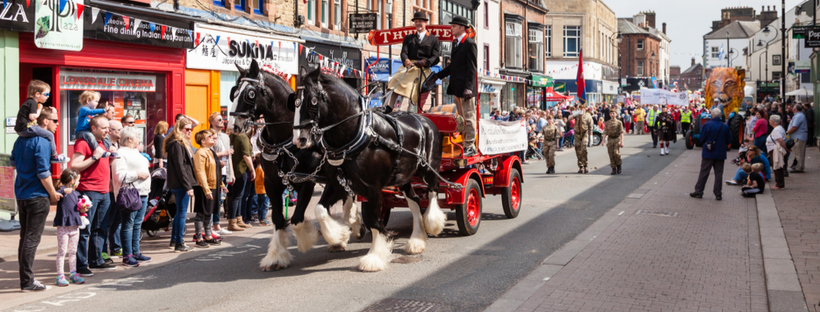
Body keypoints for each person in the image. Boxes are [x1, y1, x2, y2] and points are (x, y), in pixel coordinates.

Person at [12, 107, 63, 291]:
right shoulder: (41, 141)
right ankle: (27, 282)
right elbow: (43, 173)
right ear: (44, 122)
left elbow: (12, 163)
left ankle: (25, 278)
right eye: (55, 121)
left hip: (22, 194)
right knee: (32, 239)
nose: (57, 124)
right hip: (37, 196)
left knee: (25, 238)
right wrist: (52, 193)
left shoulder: (20, 140)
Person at [70, 115, 116, 275]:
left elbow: (102, 165)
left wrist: (110, 157)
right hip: (88, 191)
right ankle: (81, 265)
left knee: (101, 228)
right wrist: (95, 156)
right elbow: (74, 166)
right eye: (104, 128)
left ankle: (96, 260)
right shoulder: (83, 143)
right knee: (85, 230)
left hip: (104, 192)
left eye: (108, 128)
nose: (107, 131)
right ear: (93, 128)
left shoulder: (104, 143)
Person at [434, 16, 478, 157]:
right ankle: (466, 142)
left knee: (469, 116)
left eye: (454, 26)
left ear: (462, 28)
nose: (451, 28)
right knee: (462, 118)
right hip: (457, 88)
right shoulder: (456, 43)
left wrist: (469, 88)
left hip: (466, 89)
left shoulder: (469, 43)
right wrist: (437, 75)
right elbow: (453, 67)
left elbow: (472, 68)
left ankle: (470, 145)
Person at [383, 11, 441, 112]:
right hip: (408, 67)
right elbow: (404, 52)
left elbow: (436, 58)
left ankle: (402, 110)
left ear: (425, 23)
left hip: (423, 69)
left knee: (410, 85)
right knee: (394, 80)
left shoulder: (433, 40)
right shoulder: (408, 38)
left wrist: (425, 62)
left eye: (421, 21)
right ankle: (388, 107)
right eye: (416, 21)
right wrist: (406, 60)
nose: (418, 23)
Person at [112, 126, 152, 266]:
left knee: (137, 224)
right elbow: (120, 176)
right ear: (129, 139)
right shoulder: (120, 154)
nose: (139, 139)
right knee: (128, 225)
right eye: (137, 136)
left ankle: (136, 252)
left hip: (142, 192)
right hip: (129, 194)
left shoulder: (135, 152)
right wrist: (138, 175)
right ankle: (127, 255)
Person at [15, 80, 68, 164]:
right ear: (37, 94)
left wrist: (54, 111)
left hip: (21, 129)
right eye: (46, 94)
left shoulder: (29, 102)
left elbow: (44, 113)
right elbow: (33, 116)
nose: (48, 97)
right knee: (49, 135)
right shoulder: (33, 103)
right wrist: (39, 109)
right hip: (26, 128)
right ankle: (54, 156)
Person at [165, 118, 196, 252]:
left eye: (191, 129)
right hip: (181, 183)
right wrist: (187, 186)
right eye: (187, 129)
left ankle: (175, 240)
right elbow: (180, 166)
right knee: (182, 213)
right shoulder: (177, 144)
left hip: (180, 182)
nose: (189, 132)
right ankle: (179, 242)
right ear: (179, 129)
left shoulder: (180, 142)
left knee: (179, 213)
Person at [192, 129, 225, 248]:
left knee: (209, 213)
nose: (212, 138)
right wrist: (206, 189)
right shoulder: (200, 153)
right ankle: (199, 238)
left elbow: (216, 170)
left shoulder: (211, 151)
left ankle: (208, 235)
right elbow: (200, 172)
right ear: (203, 141)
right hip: (203, 186)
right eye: (209, 136)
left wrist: (221, 184)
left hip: (213, 185)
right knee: (201, 212)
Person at [53, 169, 86, 286]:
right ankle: (60, 275)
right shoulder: (61, 192)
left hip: (75, 227)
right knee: (62, 251)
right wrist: (63, 190)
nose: (78, 183)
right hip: (63, 227)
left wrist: (84, 208)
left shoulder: (77, 194)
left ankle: (73, 273)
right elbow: (55, 194)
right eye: (78, 180)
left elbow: (81, 208)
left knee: (73, 251)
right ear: (72, 181)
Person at [691, 108, 733, 200]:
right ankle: (718, 193)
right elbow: (729, 140)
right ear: (720, 116)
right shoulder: (725, 126)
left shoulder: (707, 125)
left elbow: (701, 139)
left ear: (712, 115)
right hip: (720, 153)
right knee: (718, 173)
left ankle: (699, 191)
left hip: (708, 153)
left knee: (704, 172)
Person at [207, 113, 234, 235]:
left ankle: (217, 225)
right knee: (214, 200)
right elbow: (208, 154)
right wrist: (223, 153)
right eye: (219, 119)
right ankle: (210, 227)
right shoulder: (208, 135)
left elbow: (229, 157)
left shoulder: (226, 137)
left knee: (220, 200)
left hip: (224, 172)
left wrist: (231, 173)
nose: (222, 121)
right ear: (212, 122)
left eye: (223, 119)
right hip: (214, 172)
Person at [74, 91, 117, 159]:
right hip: (82, 132)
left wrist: (103, 116)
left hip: (89, 131)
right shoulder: (83, 109)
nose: (97, 103)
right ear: (88, 101)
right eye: (96, 101)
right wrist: (103, 110)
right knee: (90, 136)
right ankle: (98, 150)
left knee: (106, 135)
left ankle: (110, 148)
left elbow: (96, 120)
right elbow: (91, 112)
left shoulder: (93, 112)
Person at [229, 126, 254, 231]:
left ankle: (238, 220)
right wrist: (252, 169)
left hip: (236, 170)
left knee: (238, 196)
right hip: (240, 170)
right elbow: (246, 156)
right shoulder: (243, 137)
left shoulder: (233, 136)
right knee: (237, 196)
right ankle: (233, 222)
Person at [767, 115, 790, 189]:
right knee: (777, 165)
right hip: (774, 149)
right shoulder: (780, 128)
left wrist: (786, 148)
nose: (769, 121)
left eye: (770, 120)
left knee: (777, 165)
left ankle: (779, 184)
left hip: (775, 150)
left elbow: (780, 140)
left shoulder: (776, 130)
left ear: (772, 121)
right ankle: (779, 183)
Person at [786, 103, 808, 173]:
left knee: (799, 153)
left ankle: (799, 168)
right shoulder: (799, 115)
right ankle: (799, 166)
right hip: (798, 136)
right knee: (799, 153)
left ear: (794, 109)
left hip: (799, 137)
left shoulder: (799, 116)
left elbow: (794, 127)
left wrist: (787, 132)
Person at [573, 105, 594, 173]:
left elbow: (590, 128)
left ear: (585, 109)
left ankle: (585, 165)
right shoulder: (577, 115)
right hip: (577, 135)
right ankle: (581, 166)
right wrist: (577, 113)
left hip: (584, 134)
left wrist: (591, 139)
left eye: (582, 108)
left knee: (584, 149)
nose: (581, 109)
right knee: (578, 150)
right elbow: (569, 118)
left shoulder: (588, 116)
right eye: (580, 108)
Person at [604, 110, 625, 175]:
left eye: (613, 113)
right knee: (611, 154)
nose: (612, 114)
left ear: (616, 114)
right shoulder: (607, 123)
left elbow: (621, 133)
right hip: (610, 139)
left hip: (616, 139)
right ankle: (613, 168)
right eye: (611, 113)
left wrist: (622, 142)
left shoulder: (619, 122)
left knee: (616, 153)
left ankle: (619, 165)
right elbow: (605, 132)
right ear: (609, 114)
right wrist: (603, 140)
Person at [253, 157, 270, 225]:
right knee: (265, 205)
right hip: (264, 190)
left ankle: (261, 219)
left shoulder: (257, 169)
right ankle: (263, 219)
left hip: (258, 190)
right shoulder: (262, 170)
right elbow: (265, 178)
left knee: (260, 205)